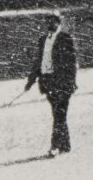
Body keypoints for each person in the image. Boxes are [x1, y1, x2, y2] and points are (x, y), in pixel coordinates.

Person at [24, 14, 78, 157]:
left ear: (59, 23)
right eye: (48, 21)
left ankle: (55, 146)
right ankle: (65, 145)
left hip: (62, 83)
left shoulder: (66, 38)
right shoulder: (43, 40)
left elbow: (72, 64)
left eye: (53, 21)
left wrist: (70, 83)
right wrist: (30, 81)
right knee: (58, 114)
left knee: (59, 114)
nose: (50, 23)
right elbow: (39, 61)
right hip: (48, 82)